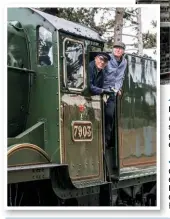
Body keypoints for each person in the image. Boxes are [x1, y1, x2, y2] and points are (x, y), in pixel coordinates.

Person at [103, 42, 127, 148]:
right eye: (116, 48)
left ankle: (107, 141)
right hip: (103, 90)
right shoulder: (106, 58)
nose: (118, 50)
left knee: (110, 116)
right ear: (113, 49)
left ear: (123, 51)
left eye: (120, 49)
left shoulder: (124, 62)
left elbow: (121, 76)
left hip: (113, 92)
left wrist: (118, 88)